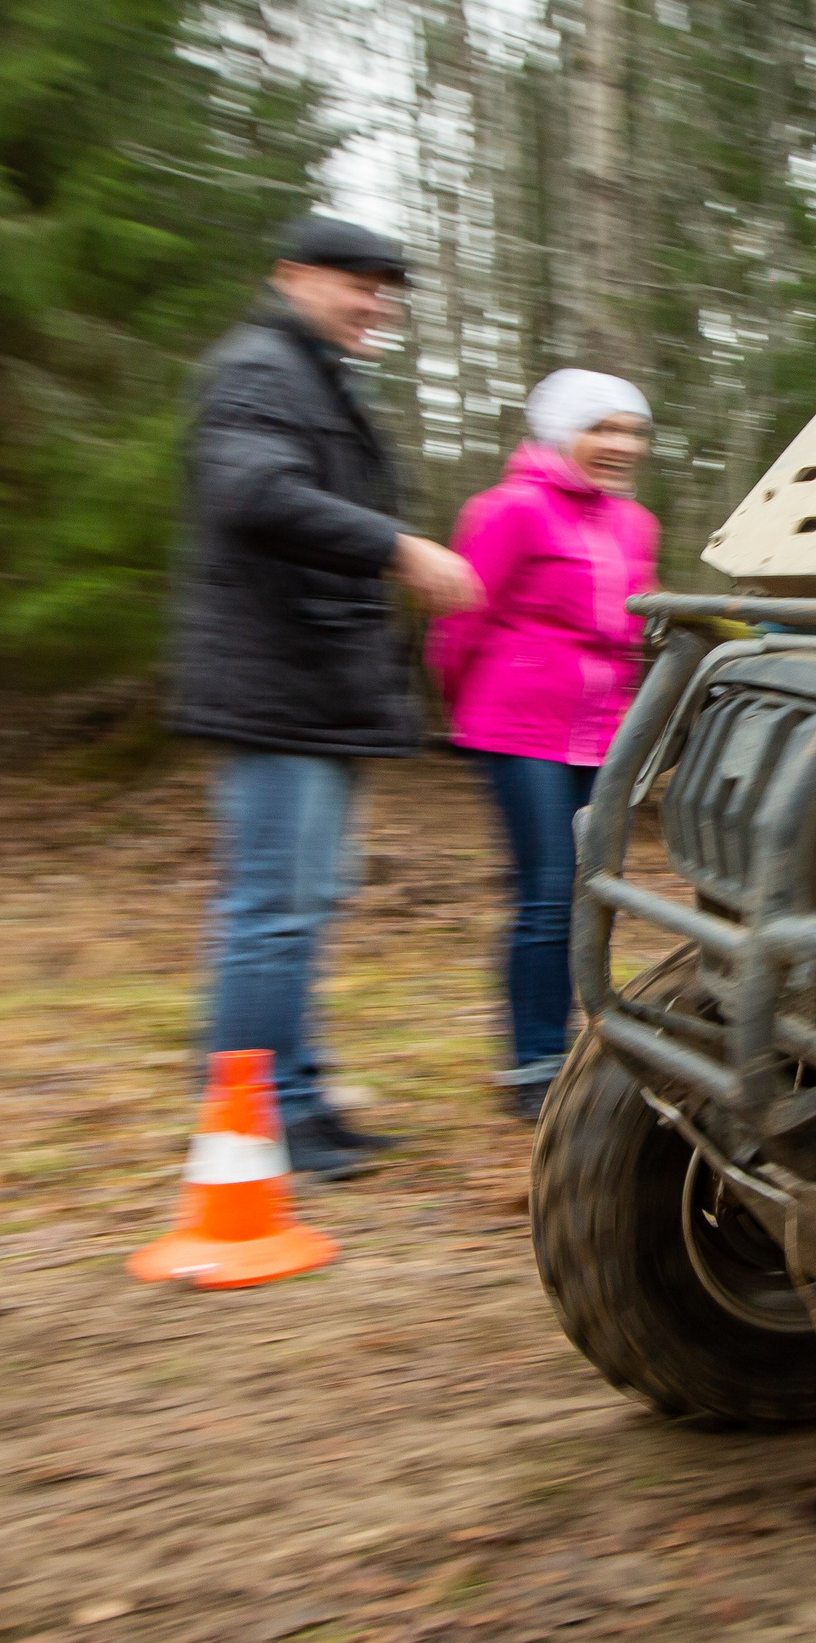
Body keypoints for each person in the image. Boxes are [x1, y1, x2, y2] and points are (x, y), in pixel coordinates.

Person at [171, 216, 482, 1180]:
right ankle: (255, 1119)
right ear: (293, 275)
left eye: (389, 291)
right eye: (360, 284)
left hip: (320, 689)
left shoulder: (317, 375)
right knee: (271, 909)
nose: (377, 304)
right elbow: (253, 495)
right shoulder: (260, 368)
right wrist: (400, 548)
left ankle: (297, 1098)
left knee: (302, 906)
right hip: (277, 687)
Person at [433, 370, 658, 1122]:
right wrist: (470, 708)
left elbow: (633, 635)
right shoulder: (508, 510)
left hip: (602, 730)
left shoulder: (636, 525)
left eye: (632, 432)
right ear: (562, 433)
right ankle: (533, 1061)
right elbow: (460, 622)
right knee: (548, 887)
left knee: (592, 887)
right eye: (603, 428)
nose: (621, 445)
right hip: (517, 722)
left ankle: (576, 1044)